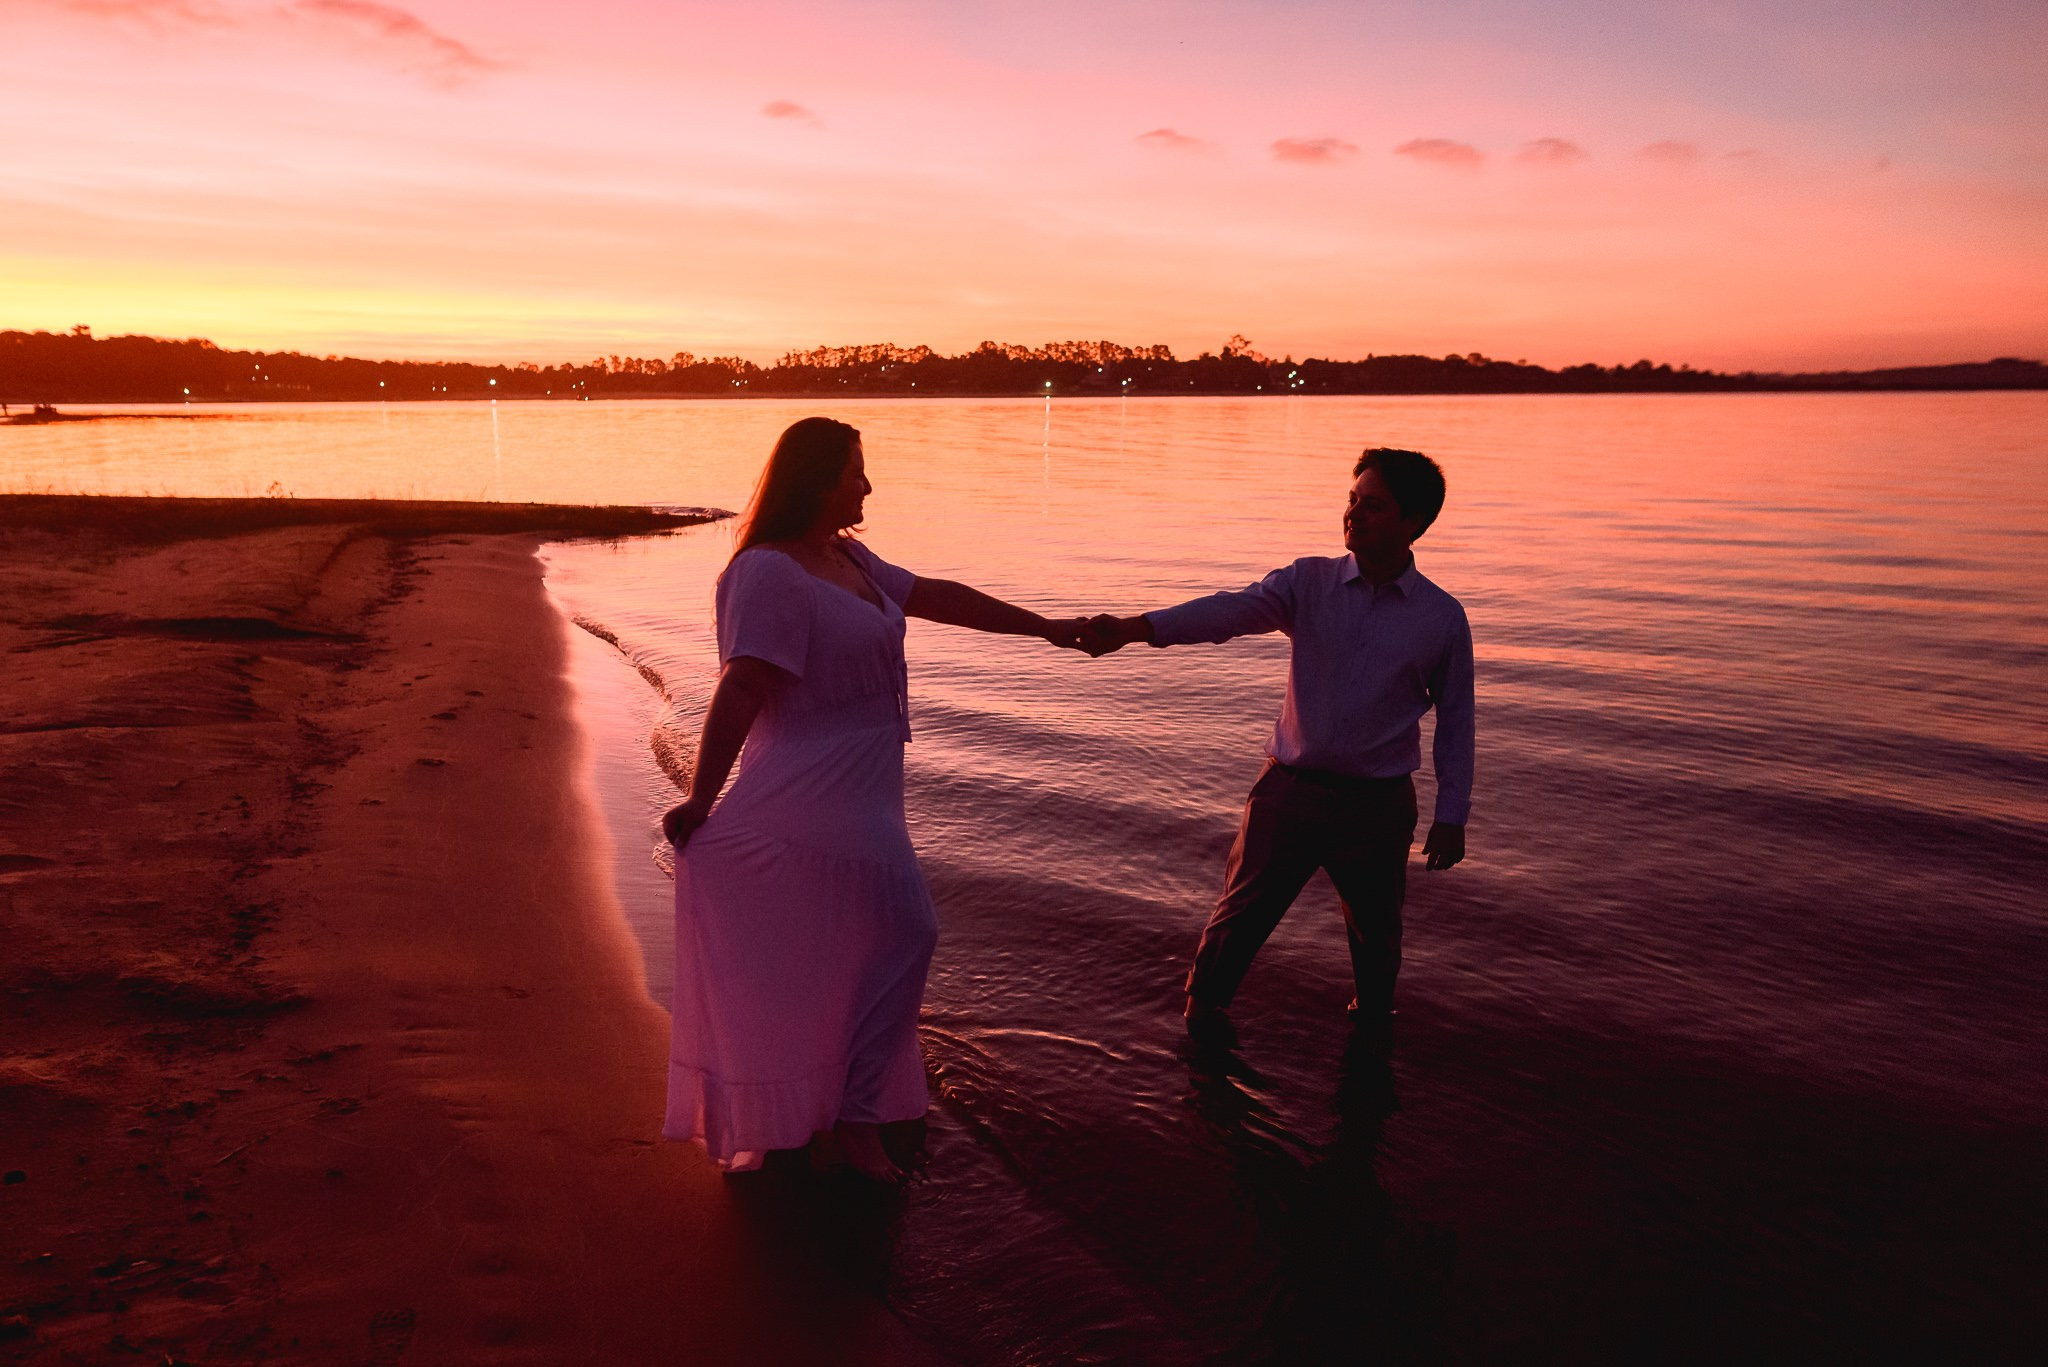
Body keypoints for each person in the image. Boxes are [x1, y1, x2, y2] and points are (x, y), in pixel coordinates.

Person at [661, 416, 1088, 1183]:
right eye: (855, 470)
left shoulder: (847, 557)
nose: (868, 484)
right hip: (807, 786)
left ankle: (814, 1113)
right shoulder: (768, 571)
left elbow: (935, 595)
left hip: (868, 785)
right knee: (908, 930)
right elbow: (743, 684)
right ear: (818, 478)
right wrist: (702, 796)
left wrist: (1046, 628)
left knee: (839, 948)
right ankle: (856, 1121)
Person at [1083, 447, 1474, 1046]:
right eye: (1352, 500)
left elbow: (1457, 721)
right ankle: (1199, 1030)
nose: (1354, 514)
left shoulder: (1441, 618)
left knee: (1377, 941)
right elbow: (1228, 613)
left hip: (1377, 809)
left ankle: (1370, 1047)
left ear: (1413, 520)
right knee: (1236, 921)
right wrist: (1138, 628)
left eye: (1373, 506)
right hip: (1289, 794)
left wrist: (1451, 815)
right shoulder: (1308, 582)